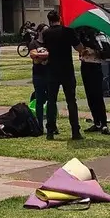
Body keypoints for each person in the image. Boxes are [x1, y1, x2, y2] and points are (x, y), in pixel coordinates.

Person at [41, 10, 82, 141]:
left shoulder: (46, 33)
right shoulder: (68, 31)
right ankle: (75, 131)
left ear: (49, 20)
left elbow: (45, 49)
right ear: (60, 18)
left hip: (52, 69)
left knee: (51, 101)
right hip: (67, 70)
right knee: (71, 101)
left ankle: (50, 131)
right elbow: (78, 48)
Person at [77, 30, 110, 135]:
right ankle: (96, 122)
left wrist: (95, 50)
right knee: (90, 96)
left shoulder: (101, 37)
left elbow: (107, 54)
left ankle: (103, 124)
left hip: (95, 66)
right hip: (85, 66)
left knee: (98, 96)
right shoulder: (82, 35)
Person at [28, 25, 51, 133]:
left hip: (50, 74)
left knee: (51, 100)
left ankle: (52, 125)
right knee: (39, 100)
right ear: (39, 31)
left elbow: (51, 54)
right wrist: (45, 56)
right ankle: (40, 125)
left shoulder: (50, 42)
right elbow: (33, 56)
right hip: (38, 74)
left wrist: (40, 56)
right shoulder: (34, 43)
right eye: (45, 31)